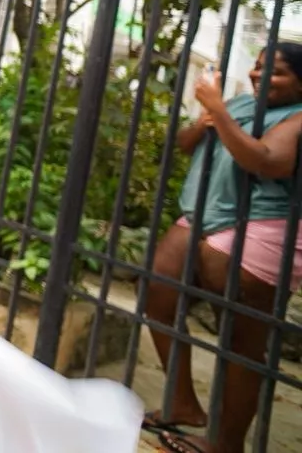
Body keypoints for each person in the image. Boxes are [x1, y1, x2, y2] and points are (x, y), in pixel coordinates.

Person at [143, 44, 302, 453]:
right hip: (202, 211)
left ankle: (225, 444)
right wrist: (207, 118)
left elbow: (266, 160)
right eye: (258, 66)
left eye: (276, 72)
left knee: (241, 344)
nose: (259, 76)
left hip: (261, 225)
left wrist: (221, 112)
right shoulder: (244, 103)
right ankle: (183, 405)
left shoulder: (298, 118)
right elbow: (185, 143)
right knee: (159, 293)